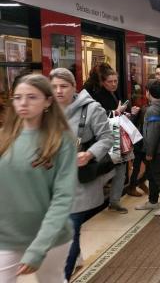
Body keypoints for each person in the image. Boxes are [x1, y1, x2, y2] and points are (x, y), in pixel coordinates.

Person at [0, 74, 77, 282]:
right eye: (17, 97)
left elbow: (62, 198)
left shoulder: (61, 142)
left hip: (50, 238)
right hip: (6, 237)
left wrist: (39, 247)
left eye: (32, 97)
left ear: (48, 101)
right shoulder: (3, 138)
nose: (23, 103)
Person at [49, 68, 115, 280]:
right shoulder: (44, 109)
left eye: (64, 86)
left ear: (74, 87)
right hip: (51, 183)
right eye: (54, 87)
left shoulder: (92, 109)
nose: (58, 91)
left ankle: (63, 277)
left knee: (69, 231)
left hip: (78, 183)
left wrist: (89, 154)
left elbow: (107, 138)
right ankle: (75, 258)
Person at [83, 63, 139, 214]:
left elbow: (115, 114)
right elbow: (97, 118)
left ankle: (114, 201)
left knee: (120, 169)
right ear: (102, 81)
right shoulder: (95, 95)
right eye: (110, 81)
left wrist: (126, 113)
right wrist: (116, 112)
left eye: (116, 81)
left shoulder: (112, 93)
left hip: (115, 136)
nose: (114, 84)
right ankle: (95, 200)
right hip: (102, 139)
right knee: (106, 170)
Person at [135, 80, 160, 215]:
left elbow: (153, 132)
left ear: (149, 92)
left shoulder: (153, 109)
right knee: (152, 175)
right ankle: (153, 201)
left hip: (156, 149)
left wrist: (149, 152)